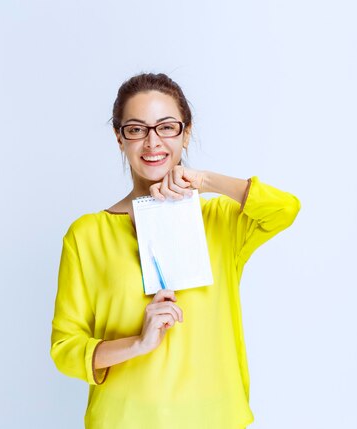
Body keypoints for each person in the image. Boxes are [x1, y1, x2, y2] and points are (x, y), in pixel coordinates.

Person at [50, 72, 300, 428]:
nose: (153, 142)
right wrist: (138, 343)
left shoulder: (220, 221)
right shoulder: (87, 234)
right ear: (119, 138)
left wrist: (204, 180)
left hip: (214, 417)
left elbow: (284, 209)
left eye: (166, 127)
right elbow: (66, 349)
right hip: (123, 419)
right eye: (136, 129)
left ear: (186, 132)